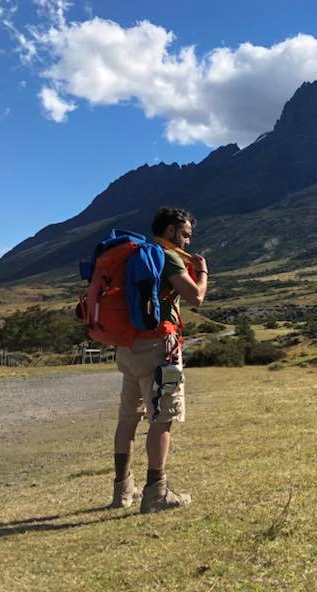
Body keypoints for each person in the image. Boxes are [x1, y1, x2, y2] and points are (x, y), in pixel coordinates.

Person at [110, 207, 209, 513]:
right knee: (163, 417)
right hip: (158, 347)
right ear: (170, 231)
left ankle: (122, 492)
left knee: (128, 418)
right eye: (185, 234)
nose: (188, 242)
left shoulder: (133, 254)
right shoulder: (168, 256)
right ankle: (157, 491)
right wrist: (203, 271)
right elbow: (195, 297)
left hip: (128, 346)